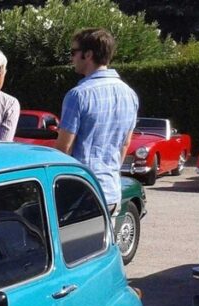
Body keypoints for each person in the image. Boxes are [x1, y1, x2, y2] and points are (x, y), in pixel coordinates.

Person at [55, 28, 138, 210]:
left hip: (81, 195)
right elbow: (125, 144)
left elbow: (63, 149)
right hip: (111, 192)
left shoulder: (77, 95)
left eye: (73, 52)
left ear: (88, 54)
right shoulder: (130, 94)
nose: (72, 58)